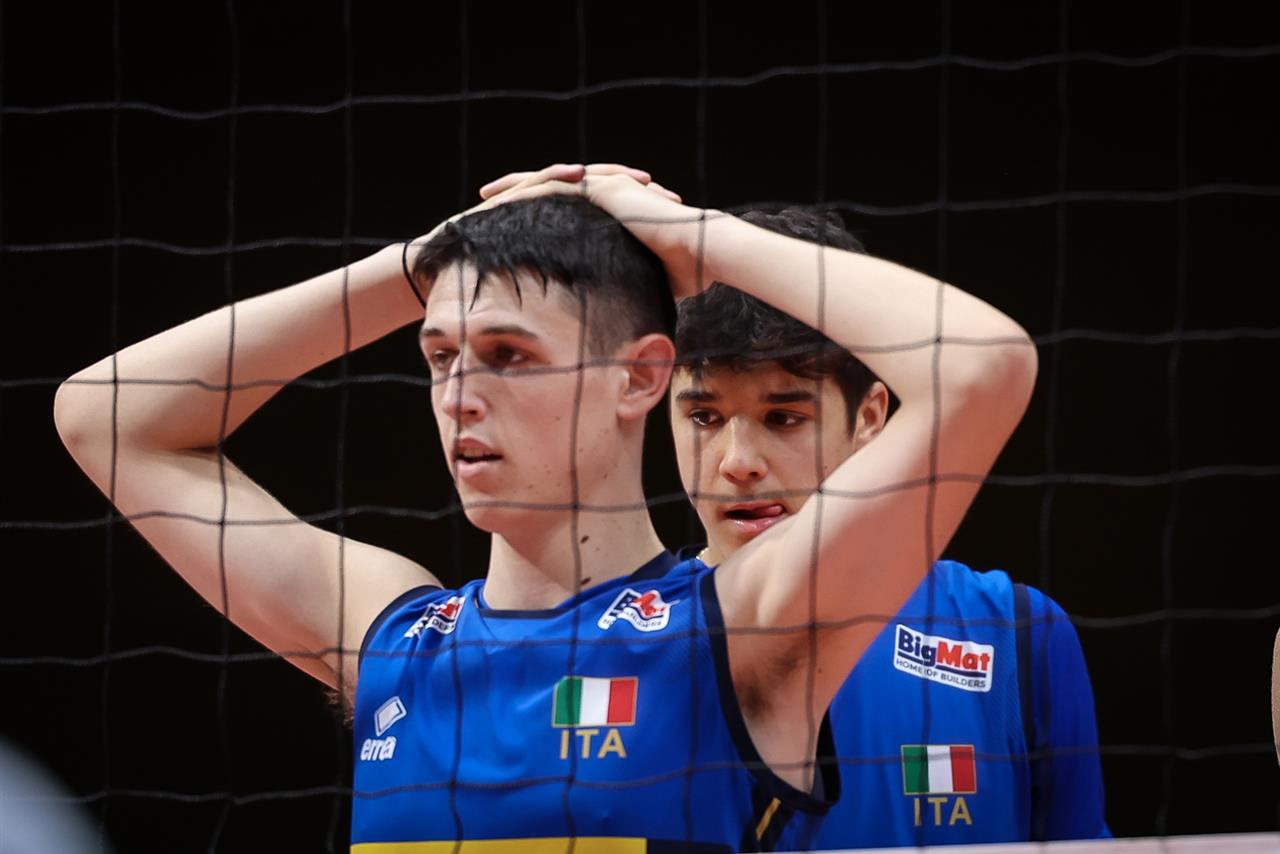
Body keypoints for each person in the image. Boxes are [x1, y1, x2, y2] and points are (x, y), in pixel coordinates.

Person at [56, 162, 1037, 850]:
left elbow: (982, 367)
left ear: (639, 377)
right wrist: (421, 265)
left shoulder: (738, 626)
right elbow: (105, 416)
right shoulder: (386, 635)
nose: (459, 395)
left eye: (508, 355)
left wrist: (686, 237)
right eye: (440, 356)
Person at [665, 208, 1109, 846]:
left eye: (784, 418)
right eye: (704, 417)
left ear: (871, 418)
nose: (737, 463)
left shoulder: (1014, 631)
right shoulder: (620, 640)